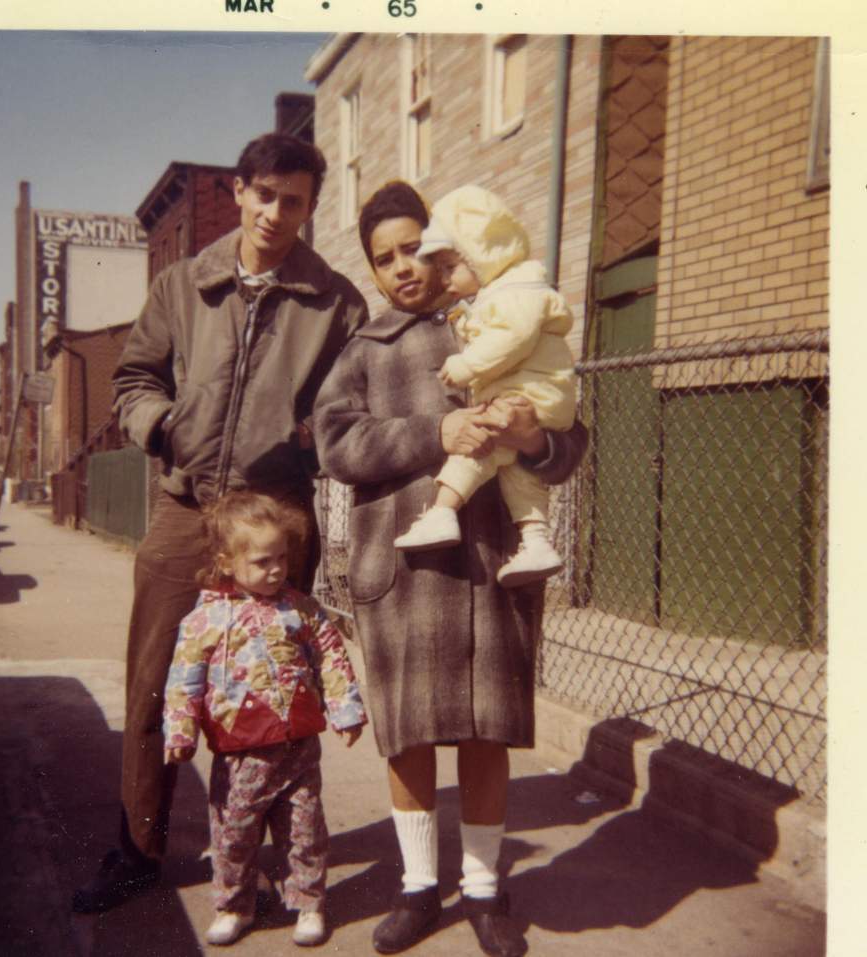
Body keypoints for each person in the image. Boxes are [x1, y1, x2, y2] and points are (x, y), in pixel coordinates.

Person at [72, 132, 368, 913]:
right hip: (184, 509)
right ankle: (137, 850)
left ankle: (266, 861)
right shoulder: (182, 285)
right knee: (154, 687)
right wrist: (164, 426)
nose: (276, 213)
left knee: (271, 691)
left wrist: (315, 437)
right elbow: (134, 377)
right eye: (263, 194)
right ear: (239, 191)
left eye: (294, 201)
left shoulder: (336, 302)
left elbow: (343, 408)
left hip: (276, 517)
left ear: (310, 208)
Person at [313, 182, 587, 957]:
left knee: (486, 732)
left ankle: (485, 889)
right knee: (408, 739)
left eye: (413, 248)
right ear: (371, 270)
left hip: (490, 564)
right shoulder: (365, 352)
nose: (403, 268)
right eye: (384, 258)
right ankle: (415, 887)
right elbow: (337, 445)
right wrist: (438, 431)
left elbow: (571, 438)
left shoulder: (504, 317)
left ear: (441, 247)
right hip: (400, 571)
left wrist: (535, 441)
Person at [163, 491, 366, 947]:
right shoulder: (205, 619)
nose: (275, 570)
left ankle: (308, 902)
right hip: (241, 754)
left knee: (305, 831)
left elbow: (332, 657)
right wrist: (180, 729)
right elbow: (184, 678)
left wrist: (345, 708)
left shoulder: (301, 610)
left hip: (297, 749)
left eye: (281, 558)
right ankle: (234, 904)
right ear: (228, 562)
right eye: (261, 561)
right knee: (234, 835)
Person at [392, 184, 577, 588]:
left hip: (530, 399)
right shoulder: (507, 294)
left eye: (449, 267)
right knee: (518, 475)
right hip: (541, 398)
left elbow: (511, 337)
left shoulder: (515, 293)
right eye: (384, 259)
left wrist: (466, 364)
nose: (443, 278)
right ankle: (536, 540)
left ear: (483, 255)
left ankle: (442, 510)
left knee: (480, 442)